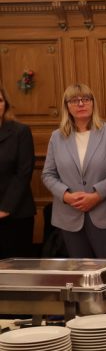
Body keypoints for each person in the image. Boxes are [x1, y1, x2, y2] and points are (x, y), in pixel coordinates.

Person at [42, 84, 106, 259]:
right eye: (74, 100)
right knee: (80, 271)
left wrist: (97, 195)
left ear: (93, 103)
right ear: (67, 106)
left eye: (85, 99)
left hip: (105, 212)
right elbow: (48, 174)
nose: (81, 104)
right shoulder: (57, 137)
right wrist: (66, 196)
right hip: (70, 215)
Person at [0, 83, 36, 259]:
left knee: (16, 267)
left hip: (16, 214)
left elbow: (24, 172)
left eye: (0, 100)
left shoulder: (20, 131)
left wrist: (5, 208)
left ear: (5, 104)